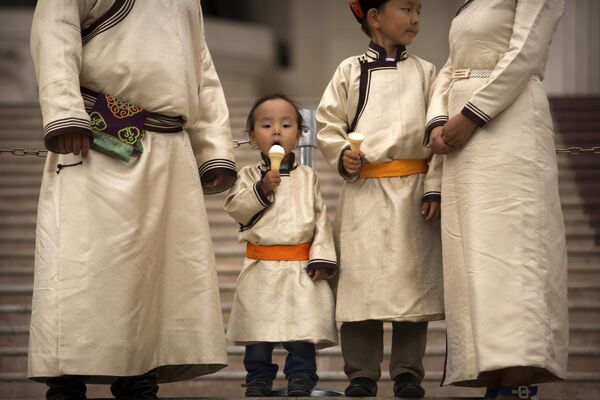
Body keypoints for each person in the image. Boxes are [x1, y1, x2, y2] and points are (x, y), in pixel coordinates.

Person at [28, 1, 237, 399]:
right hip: (97, 136)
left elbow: (201, 69)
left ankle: (140, 378)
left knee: (157, 279)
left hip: (170, 146)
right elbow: (55, 32)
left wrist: (213, 148)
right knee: (82, 270)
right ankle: (67, 383)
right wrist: (66, 114)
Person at [425, 1, 568, 399]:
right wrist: (438, 121)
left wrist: (471, 114)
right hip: (462, 140)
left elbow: (525, 53)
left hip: (509, 125)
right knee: (476, 261)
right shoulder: (470, 4)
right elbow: (450, 68)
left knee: (515, 258)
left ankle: (517, 381)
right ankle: (494, 379)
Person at [316, 0, 444, 397]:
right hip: (364, 192)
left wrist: (434, 185)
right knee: (361, 286)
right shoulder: (349, 70)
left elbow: (438, 139)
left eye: (419, 10)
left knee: (413, 284)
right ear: (374, 17)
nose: (416, 19)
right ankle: (361, 374)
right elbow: (328, 124)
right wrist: (342, 154)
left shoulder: (427, 72)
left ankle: (408, 372)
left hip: (413, 192)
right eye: (406, 9)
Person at [224, 94, 337, 397]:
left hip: (300, 266)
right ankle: (258, 377)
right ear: (251, 136)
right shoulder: (248, 176)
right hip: (261, 266)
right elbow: (237, 209)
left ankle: (301, 376)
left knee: (301, 329)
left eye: (286, 125)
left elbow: (320, 219)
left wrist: (322, 257)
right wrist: (261, 189)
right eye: (266, 125)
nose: (276, 131)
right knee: (257, 333)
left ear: (299, 134)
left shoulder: (308, 177)